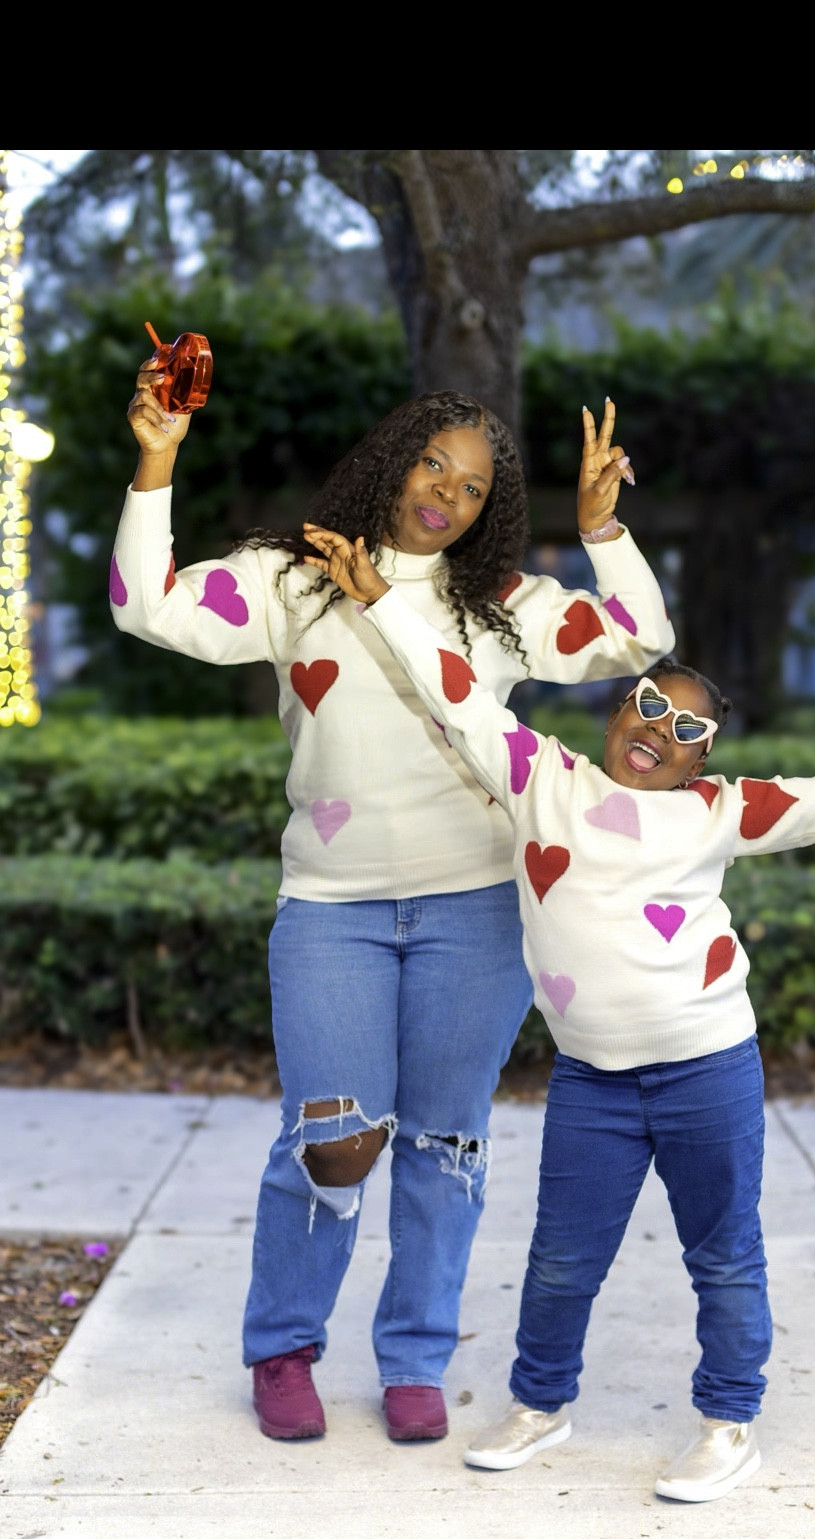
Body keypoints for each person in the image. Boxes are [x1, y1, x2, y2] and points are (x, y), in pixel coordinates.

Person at [299, 519, 815, 1500]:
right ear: (616, 708)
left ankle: (729, 1421)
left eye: (688, 729)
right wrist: (382, 602)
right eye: (648, 706)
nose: (659, 732)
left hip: (707, 1071)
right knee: (559, 1261)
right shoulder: (541, 781)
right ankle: (540, 1403)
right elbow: (455, 694)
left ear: (704, 757)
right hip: (593, 1081)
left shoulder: (720, 812)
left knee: (722, 1258)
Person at [112, 369, 674, 1445]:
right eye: (433, 466)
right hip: (333, 910)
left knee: (446, 1144)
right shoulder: (294, 576)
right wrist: (157, 459)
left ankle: (415, 1358)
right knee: (333, 1137)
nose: (445, 497)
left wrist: (602, 529)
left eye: (470, 489)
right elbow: (146, 606)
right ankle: (283, 1345)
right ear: (396, 456)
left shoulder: (500, 605)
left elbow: (639, 639)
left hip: (475, 911)